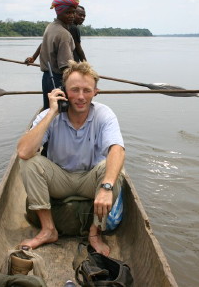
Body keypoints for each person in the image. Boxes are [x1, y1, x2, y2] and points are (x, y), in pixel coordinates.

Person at [17, 61, 125, 256]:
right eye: (74, 90)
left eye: (87, 90)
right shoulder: (50, 114)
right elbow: (24, 151)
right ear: (63, 91)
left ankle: (94, 233)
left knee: (112, 169)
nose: (81, 97)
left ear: (95, 92)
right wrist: (51, 112)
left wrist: (107, 186)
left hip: (89, 179)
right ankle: (48, 230)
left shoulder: (104, 115)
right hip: (59, 179)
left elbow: (117, 149)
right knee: (30, 162)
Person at [25, 0, 79, 110]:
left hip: (46, 78)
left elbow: (42, 44)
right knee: (61, 111)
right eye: (68, 13)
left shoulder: (50, 26)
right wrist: (78, 84)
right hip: (58, 79)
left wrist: (33, 57)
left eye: (73, 12)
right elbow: (65, 66)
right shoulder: (64, 34)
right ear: (59, 13)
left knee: (48, 109)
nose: (71, 16)